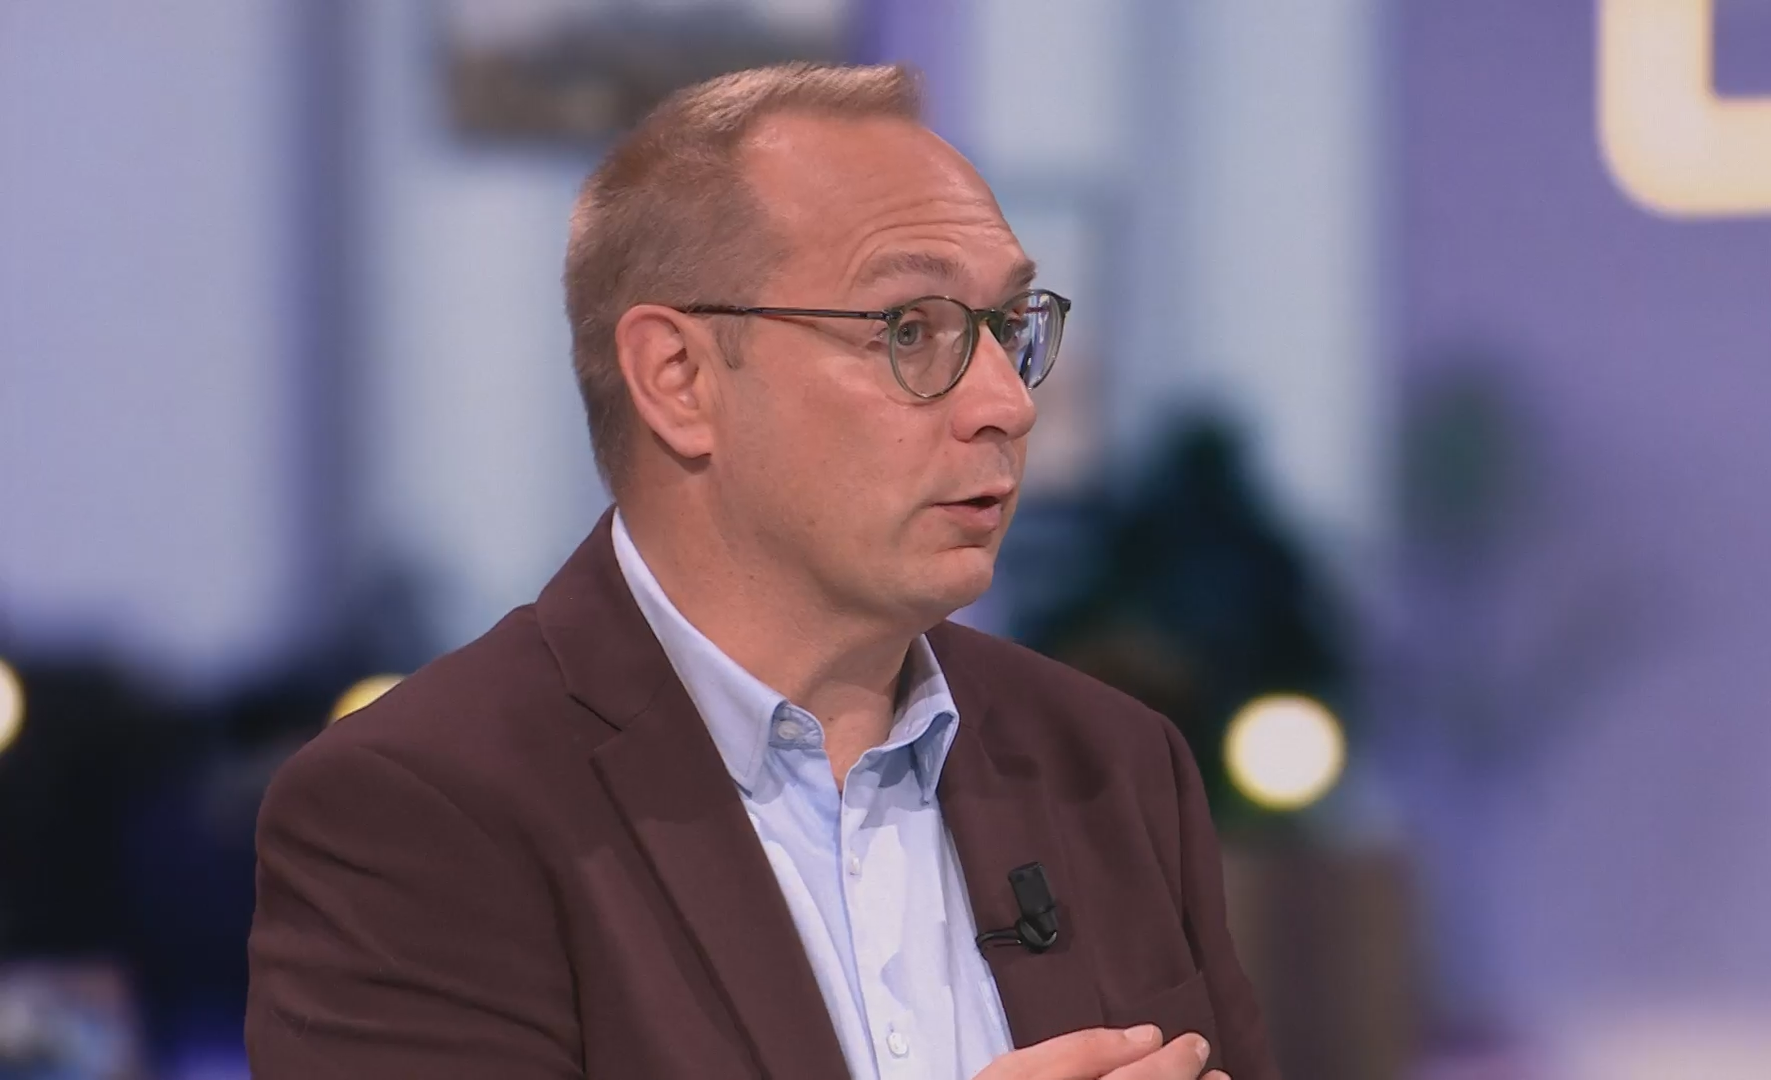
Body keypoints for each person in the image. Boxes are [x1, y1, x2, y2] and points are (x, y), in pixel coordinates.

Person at [245, 62, 1280, 1080]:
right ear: (679, 379)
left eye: (1008, 329)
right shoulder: (418, 809)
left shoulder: (1114, 764)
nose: (1008, 404)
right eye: (909, 329)